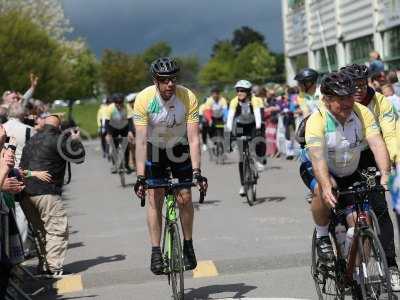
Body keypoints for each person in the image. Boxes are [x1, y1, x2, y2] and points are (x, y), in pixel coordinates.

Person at [303, 72, 390, 262]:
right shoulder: (317, 119)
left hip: (350, 166)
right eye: (341, 98)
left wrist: (385, 173)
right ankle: (322, 235)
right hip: (320, 165)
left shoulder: (361, 112)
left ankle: (359, 275)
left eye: (350, 96)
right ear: (326, 99)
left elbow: (376, 143)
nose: (348, 103)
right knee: (322, 189)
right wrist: (326, 185)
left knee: (361, 220)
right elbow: (317, 158)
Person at [133, 57, 207, 275]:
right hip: (154, 149)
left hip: (178, 146)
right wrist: (140, 176)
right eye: (164, 80)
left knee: (185, 196)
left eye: (173, 79)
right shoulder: (144, 99)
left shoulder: (187, 96)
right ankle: (156, 251)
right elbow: (139, 140)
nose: (170, 84)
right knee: (154, 197)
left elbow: (194, 138)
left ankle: (188, 245)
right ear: (156, 81)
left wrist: (197, 172)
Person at [19, 115, 85, 277]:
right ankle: (54, 267)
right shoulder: (59, 139)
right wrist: (75, 140)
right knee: (57, 230)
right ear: (59, 127)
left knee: (41, 231)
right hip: (47, 192)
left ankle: (44, 265)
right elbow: (79, 157)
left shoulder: (32, 140)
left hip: (25, 192)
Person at [226, 80, 265, 196]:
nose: (239, 92)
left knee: (258, 140)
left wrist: (258, 129)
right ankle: (243, 185)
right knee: (241, 158)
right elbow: (230, 118)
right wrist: (229, 135)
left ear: (248, 92)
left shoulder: (255, 100)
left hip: (253, 124)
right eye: (237, 90)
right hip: (240, 126)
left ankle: (258, 160)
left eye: (242, 90)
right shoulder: (234, 102)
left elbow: (258, 115)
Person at [104, 93, 135, 174]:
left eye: (120, 102)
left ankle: (127, 165)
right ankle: (115, 165)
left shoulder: (127, 107)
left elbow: (130, 121)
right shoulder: (110, 108)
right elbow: (106, 122)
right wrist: (108, 134)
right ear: (114, 103)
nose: (119, 104)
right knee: (114, 146)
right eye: (117, 103)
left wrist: (130, 131)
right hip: (113, 128)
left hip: (124, 127)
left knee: (126, 147)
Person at [203, 87, 228, 152]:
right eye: (214, 94)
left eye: (217, 94)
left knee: (221, 132)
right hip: (212, 118)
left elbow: (225, 111)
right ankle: (212, 141)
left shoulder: (222, 100)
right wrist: (210, 120)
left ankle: (221, 143)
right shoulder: (209, 100)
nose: (215, 95)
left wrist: (226, 118)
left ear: (219, 94)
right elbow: (207, 112)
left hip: (220, 118)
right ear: (211, 94)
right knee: (211, 131)